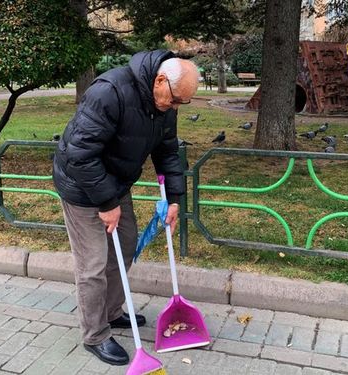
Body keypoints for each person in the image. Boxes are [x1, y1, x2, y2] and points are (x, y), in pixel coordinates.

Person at [52, 50, 199, 366]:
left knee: (126, 243)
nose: (175, 108)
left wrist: (174, 198)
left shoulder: (164, 103)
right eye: (175, 101)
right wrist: (106, 203)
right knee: (93, 262)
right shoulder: (110, 92)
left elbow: (167, 151)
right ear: (159, 80)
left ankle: (112, 310)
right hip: (80, 184)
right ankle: (95, 335)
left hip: (115, 181)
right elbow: (80, 154)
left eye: (181, 104)